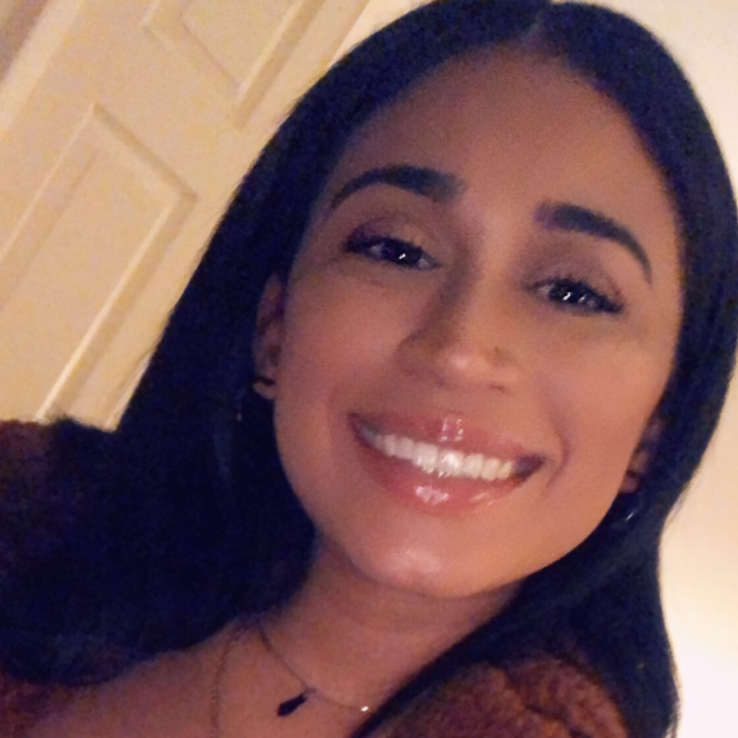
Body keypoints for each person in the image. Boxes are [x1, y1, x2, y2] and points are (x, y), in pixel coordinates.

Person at [1, 0, 736, 736]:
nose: (461, 348)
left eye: (573, 293)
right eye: (395, 249)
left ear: (656, 425)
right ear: (273, 328)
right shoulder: (30, 531)